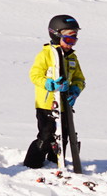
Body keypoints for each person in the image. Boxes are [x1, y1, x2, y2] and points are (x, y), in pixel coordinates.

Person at [24, 14, 85, 169]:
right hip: (46, 105)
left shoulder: (72, 58)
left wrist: (75, 90)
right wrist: (48, 84)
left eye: (74, 39)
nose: (72, 44)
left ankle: (55, 161)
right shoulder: (46, 55)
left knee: (63, 135)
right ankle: (32, 163)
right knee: (47, 134)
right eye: (69, 39)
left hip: (64, 105)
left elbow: (79, 78)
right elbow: (35, 75)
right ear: (56, 35)